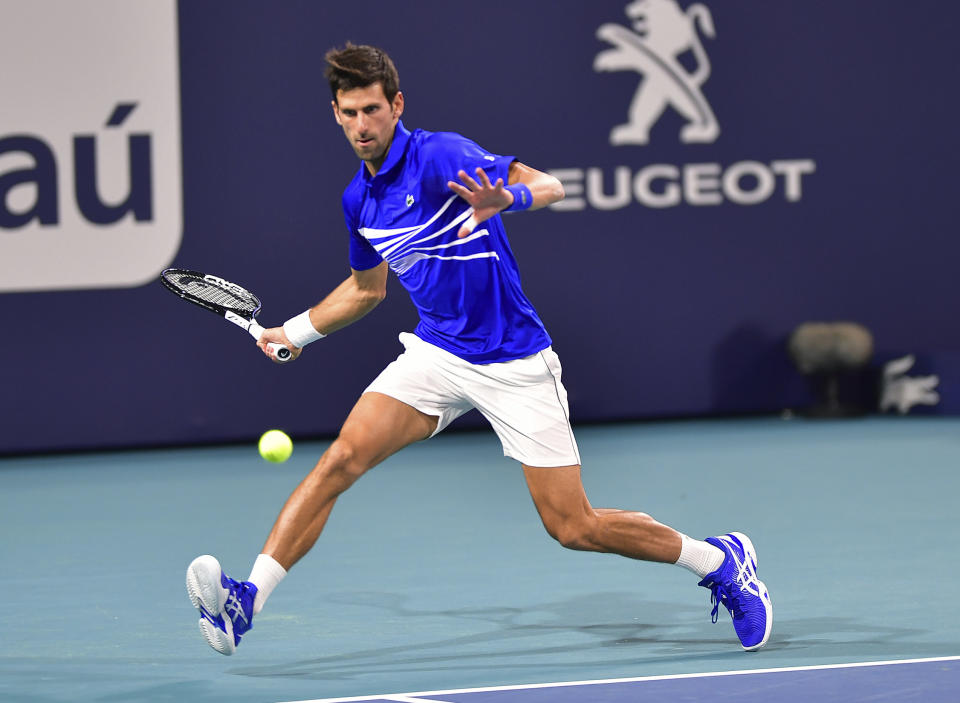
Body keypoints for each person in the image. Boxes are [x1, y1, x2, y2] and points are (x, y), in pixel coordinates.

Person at [185, 43, 772, 656]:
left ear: (397, 105)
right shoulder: (357, 201)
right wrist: (296, 331)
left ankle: (719, 561)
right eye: (350, 112)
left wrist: (505, 199)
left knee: (572, 526)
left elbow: (550, 186)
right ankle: (244, 601)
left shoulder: (442, 155)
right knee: (340, 461)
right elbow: (366, 289)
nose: (362, 125)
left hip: (514, 362)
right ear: (335, 113)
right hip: (437, 354)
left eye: (373, 110)